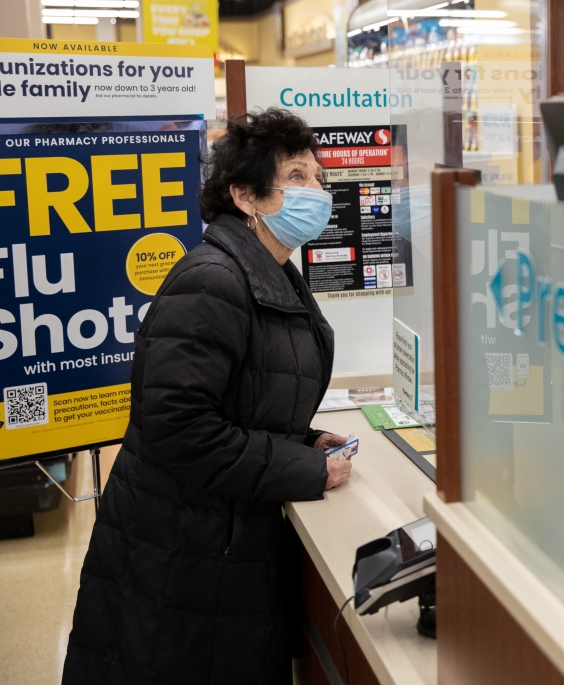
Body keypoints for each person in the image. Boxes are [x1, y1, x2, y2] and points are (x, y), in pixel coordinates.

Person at [63, 108, 352, 684]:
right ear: (245, 196)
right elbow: (180, 428)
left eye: (318, 177)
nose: (316, 191)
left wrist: (302, 439)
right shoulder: (213, 280)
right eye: (296, 177)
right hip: (177, 557)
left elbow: (236, 399)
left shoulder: (270, 271)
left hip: (218, 544)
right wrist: (302, 468)